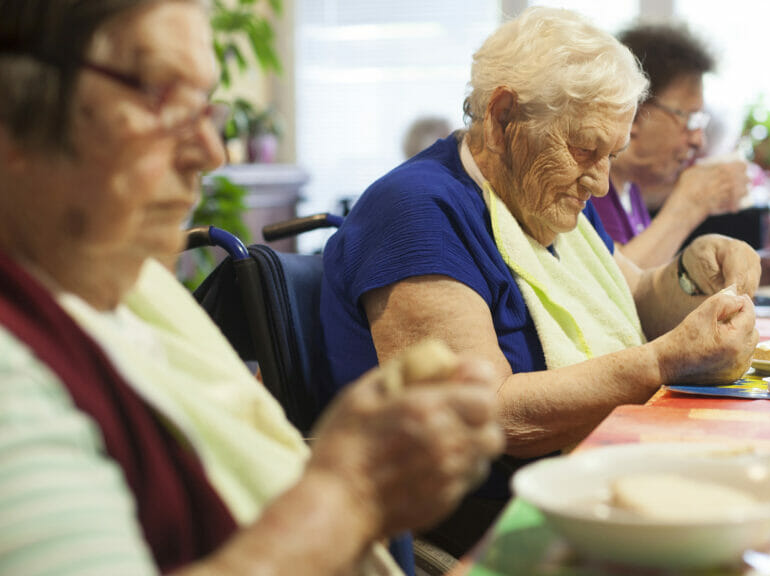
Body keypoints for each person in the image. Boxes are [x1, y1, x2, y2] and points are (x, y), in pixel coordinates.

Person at [0, 1, 504, 575]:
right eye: (161, 94)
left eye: (204, 108)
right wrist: (352, 492)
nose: (211, 153)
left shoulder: (117, 281)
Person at [319, 7, 761, 558]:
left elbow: (636, 297)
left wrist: (698, 273)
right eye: (585, 150)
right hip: (477, 523)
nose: (600, 183)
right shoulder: (416, 212)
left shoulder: (544, 187)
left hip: (570, 486)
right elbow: (484, 414)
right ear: (504, 116)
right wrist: (661, 362)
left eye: (612, 156)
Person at [592, 23, 750, 269]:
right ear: (634, 113)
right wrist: (690, 204)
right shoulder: (590, 190)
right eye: (688, 118)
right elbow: (614, 292)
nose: (699, 140)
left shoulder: (629, 188)